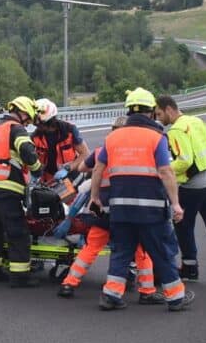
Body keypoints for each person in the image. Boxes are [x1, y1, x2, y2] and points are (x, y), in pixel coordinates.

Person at [90, 88, 194, 311]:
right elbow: (166, 171)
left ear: (128, 111)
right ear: (150, 112)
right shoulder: (157, 137)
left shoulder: (112, 137)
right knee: (162, 252)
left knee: (121, 251)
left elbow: (98, 169)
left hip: (119, 209)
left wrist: (95, 198)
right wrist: (176, 203)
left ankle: (111, 296)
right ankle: (175, 298)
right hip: (151, 210)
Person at [58, 116, 159, 302]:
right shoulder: (135, 153)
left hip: (102, 211)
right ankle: (147, 292)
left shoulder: (100, 151)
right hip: (127, 210)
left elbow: (81, 167)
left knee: (90, 249)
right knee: (140, 251)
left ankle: (69, 283)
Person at [155, 95, 206, 287]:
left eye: (159, 114)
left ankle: (190, 268)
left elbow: (185, 160)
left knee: (183, 225)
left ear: (168, 109)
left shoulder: (176, 130)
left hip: (195, 185)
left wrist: (163, 169)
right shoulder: (196, 121)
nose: (158, 119)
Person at [0, 95, 43, 287]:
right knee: (18, 233)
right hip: (6, 189)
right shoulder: (15, 129)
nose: (28, 123)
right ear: (22, 113)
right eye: (28, 119)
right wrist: (37, 168)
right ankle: (20, 277)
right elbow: (27, 151)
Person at [31, 98, 89, 183]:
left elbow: (85, 154)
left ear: (50, 121)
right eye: (36, 124)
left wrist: (67, 169)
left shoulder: (69, 130)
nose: (39, 127)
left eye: (41, 124)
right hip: (49, 180)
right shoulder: (35, 137)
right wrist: (35, 174)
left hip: (71, 178)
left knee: (73, 196)